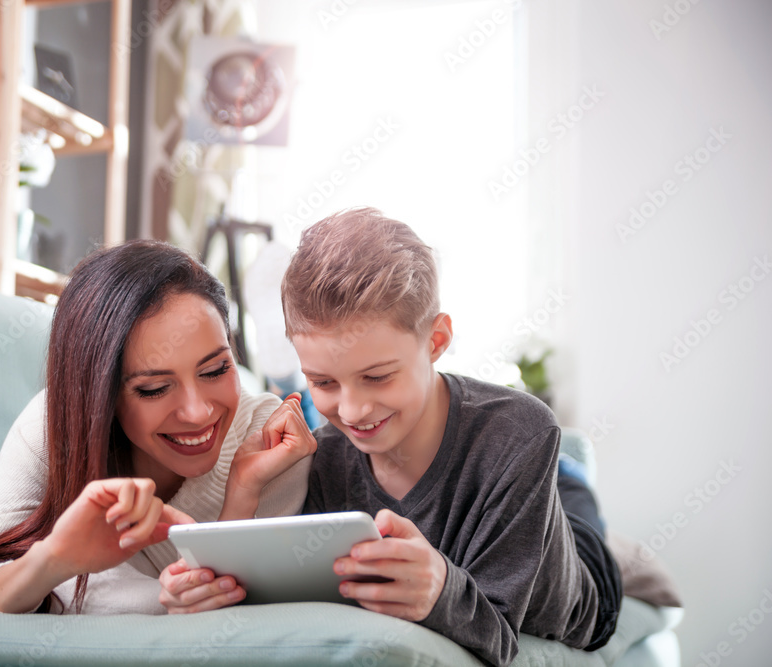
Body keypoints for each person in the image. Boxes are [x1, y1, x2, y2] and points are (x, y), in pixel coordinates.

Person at [159, 208, 621, 667]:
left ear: (436, 341)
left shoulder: (520, 432)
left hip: (578, 565)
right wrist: (242, 491)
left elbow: (499, 639)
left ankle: (568, 472)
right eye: (323, 383)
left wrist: (441, 587)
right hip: (497, 472)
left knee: (568, 486)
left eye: (377, 377)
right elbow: (273, 610)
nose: (353, 411)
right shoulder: (331, 458)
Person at [0, 239, 315, 616]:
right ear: (101, 394)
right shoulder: (56, 423)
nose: (197, 412)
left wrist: (241, 498)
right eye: (154, 388)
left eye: (216, 369)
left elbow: (232, 615)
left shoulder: (272, 445)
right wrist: (54, 560)